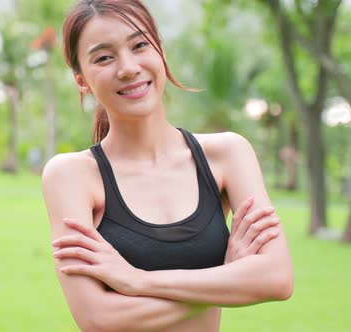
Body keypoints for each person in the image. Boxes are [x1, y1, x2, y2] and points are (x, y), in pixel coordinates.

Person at [41, 1, 294, 331]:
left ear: (160, 51)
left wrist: (137, 281)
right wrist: (225, 279)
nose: (129, 67)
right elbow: (99, 319)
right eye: (104, 57)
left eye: (139, 45)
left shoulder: (228, 154)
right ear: (82, 81)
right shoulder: (71, 175)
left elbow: (277, 278)